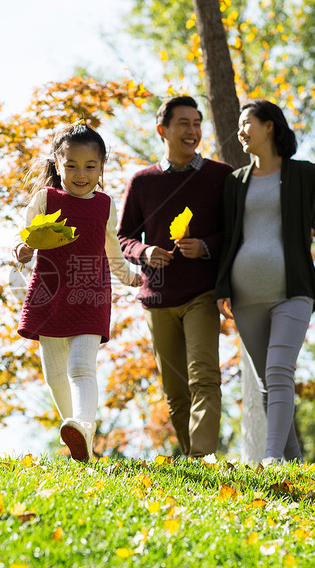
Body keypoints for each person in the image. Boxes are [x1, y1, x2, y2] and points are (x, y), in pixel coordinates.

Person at [215, 99, 315, 465]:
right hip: (245, 295)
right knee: (269, 380)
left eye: (247, 122)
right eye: (239, 124)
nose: (241, 130)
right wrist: (222, 288)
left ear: (269, 126)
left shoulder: (304, 174)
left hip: (292, 290)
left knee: (280, 370)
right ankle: (293, 462)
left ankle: (270, 457)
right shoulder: (236, 181)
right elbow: (228, 236)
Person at [14, 122, 142, 462]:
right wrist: (22, 251)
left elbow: (111, 249)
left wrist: (131, 277)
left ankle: (83, 425)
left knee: (82, 368)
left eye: (89, 167)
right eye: (71, 166)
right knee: (55, 377)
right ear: (58, 165)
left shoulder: (105, 205)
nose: (80, 174)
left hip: (91, 295)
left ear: (101, 168)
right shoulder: (45, 198)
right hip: (50, 293)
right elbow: (24, 239)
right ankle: (78, 440)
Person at [117, 96, 233, 458]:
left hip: (202, 292)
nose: (193, 130)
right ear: (162, 130)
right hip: (157, 298)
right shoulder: (142, 182)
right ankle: (195, 465)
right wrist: (144, 252)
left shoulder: (221, 175)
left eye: (197, 123)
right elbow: (123, 238)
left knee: (204, 377)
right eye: (183, 123)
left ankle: (204, 458)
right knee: (176, 391)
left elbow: (235, 229)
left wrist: (206, 246)